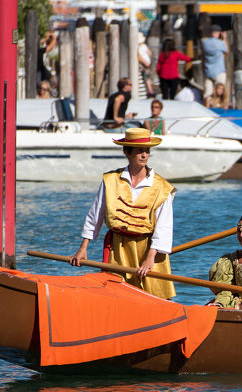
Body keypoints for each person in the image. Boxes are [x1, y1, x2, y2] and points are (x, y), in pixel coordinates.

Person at [71, 127, 176, 299]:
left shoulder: (162, 187)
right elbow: (95, 215)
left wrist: (150, 258)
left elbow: (164, 227)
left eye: (147, 151)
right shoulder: (110, 180)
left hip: (148, 248)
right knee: (116, 294)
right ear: (127, 152)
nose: (144, 155)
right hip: (118, 247)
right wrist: (83, 248)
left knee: (152, 297)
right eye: (139, 151)